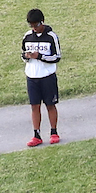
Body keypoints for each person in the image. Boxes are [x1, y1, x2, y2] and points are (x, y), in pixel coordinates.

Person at [21, 9, 63, 147]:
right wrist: (26, 56)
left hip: (47, 76)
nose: (34, 28)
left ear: (42, 22)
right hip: (32, 77)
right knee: (34, 106)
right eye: (31, 25)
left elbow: (56, 57)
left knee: (50, 105)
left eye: (36, 25)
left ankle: (54, 132)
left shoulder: (51, 36)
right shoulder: (27, 36)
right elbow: (23, 54)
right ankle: (36, 135)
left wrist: (39, 56)